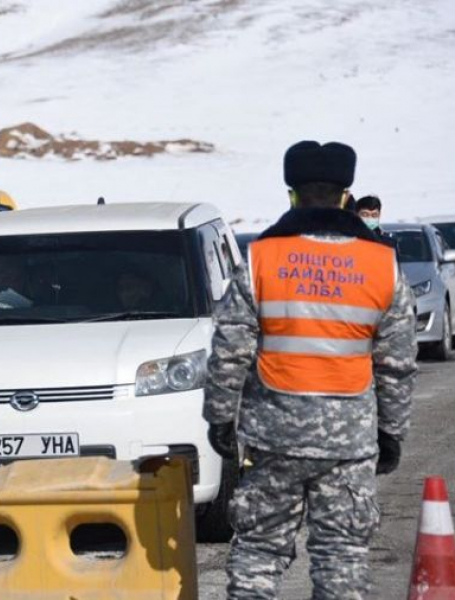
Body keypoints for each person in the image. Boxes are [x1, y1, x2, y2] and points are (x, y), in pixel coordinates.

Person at [204, 140, 417, 599]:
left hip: (272, 438)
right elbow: (397, 364)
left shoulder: (262, 259)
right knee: (341, 554)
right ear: (345, 196)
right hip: (349, 441)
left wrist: (220, 417)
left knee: (259, 551)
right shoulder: (382, 266)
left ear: (292, 195)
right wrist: (392, 433)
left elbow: (229, 348)